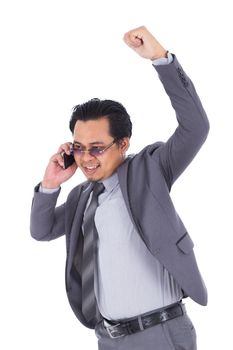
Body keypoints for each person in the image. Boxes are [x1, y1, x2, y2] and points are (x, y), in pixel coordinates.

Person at [30, 26, 209, 350]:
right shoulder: (81, 198)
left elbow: (195, 127)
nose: (86, 158)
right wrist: (49, 185)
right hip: (108, 339)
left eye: (97, 148)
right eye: (79, 147)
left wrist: (160, 59)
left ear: (123, 143)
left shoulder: (150, 170)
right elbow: (41, 231)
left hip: (162, 334)